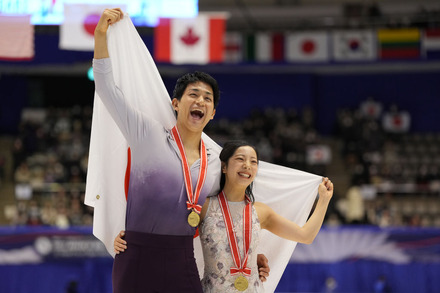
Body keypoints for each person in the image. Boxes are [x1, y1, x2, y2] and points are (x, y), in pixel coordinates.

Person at [93, 8, 269, 293]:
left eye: (207, 98)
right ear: (176, 103)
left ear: (212, 113)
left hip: (181, 258)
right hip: (135, 253)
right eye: (193, 94)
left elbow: (234, 207)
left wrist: (250, 256)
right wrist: (100, 35)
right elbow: (106, 88)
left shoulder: (218, 162)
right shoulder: (147, 135)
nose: (200, 100)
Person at [115, 141, 333, 292]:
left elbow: (305, 236)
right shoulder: (204, 207)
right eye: (240, 159)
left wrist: (323, 200)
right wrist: (130, 238)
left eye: (253, 161)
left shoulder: (261, 211)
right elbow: (165, 233)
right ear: (225, 166)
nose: (247, 165)